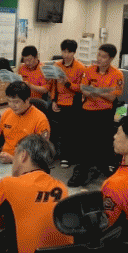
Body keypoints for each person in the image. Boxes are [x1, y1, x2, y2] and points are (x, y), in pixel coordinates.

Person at [68, 43, 124, 187]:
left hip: (104, 113)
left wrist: (95, 90)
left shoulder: (117, 75)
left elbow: (112, 97)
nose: (99, 58)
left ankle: (101, 166)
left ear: (111, 59)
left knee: (102, 142)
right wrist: (102, 91)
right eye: (98, 55)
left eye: (103, 57)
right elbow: (83, 89)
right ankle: (81, 170)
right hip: (87, 111)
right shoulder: (89, 70)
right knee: (84, 142)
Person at [0, 81, 50, 164]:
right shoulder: (7, 113)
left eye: (16, 102)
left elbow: (40, 154)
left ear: (27, 100)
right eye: (9, 101)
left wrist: (13, 159)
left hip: (25, 164)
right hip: (3, 158)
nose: (12, 105)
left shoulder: (40, 120)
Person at [47, 39, 85, 168]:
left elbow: (81, 88)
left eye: (69, 52)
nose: (66, 54)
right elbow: (53, 85)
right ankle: (53, 153)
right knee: (54, 128)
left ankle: (67, 156)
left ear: (74, 52)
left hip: (73, 102)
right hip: (58, 101)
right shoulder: (57, 65)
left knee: (69, 131)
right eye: (64, 51)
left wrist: (67, 83)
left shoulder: (80, 67)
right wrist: (53, 100)